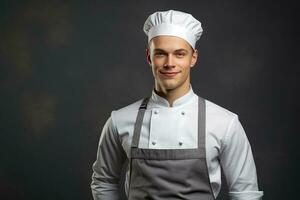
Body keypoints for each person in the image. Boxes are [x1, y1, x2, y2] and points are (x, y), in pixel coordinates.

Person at [91, 10, 263, 200]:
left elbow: (246, 193)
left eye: (179, 54)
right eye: (161, 54)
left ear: (193, 58)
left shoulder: (225, 123)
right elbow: (103, 182)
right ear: (149, 57)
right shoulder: (119, 120)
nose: (169, 63)